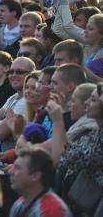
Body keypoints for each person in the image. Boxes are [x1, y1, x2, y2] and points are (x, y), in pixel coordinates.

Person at [49, 83, 103, 216]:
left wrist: (57, 121)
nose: (87, 103)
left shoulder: (95, 133)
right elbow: (70, 150)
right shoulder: (96, 133)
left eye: (94, 100)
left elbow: (61, 159)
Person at [9, 146, 72, 217]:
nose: (10, 171)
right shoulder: (20, 202)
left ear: (35, 175)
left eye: (17, 168)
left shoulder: (53, 211)